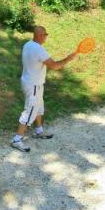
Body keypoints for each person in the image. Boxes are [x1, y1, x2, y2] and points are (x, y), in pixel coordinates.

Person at [11, 25, 77, 153]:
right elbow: (54, 66)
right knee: (30, 111)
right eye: (45, 35)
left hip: (31, 82)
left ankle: (39, 131)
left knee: (39, 108)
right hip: (33, 85)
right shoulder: (38, 50)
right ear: (40, 36)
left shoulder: (28, 44)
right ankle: (16, 139)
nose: (46, 37)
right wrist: (68, 59)